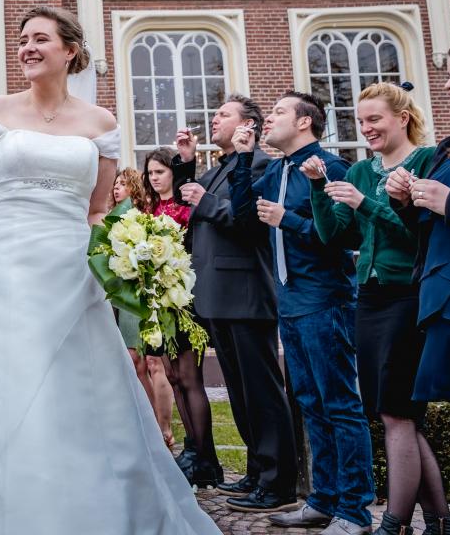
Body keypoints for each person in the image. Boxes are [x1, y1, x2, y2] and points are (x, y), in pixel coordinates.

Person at [0, 5, 219, 534]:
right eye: (22, 40)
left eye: (40, 38)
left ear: (70, 50)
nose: (27, 48)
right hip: (5, 270)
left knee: (77, 391)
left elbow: (97, 212)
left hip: (72, 271)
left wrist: (134, 260)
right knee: (5, 387)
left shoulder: (100, 124)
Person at [303, 82, 450, 535]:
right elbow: (337, 237)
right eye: (361, 120)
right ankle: (443, 523)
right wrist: (317, 190)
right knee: (395, 415)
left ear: (401, 118)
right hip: (367, 298)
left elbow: (419, 239)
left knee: (397, 413)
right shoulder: (362, 170)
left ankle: (393, 524)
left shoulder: (427, 162)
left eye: (375, 119)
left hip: (408, 294)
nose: (365, 128)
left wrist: (366, 205)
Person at [230, 92, 374, 535]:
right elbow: (242, 217)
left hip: (325, 299)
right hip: (289, 302)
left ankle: (354, 511)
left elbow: (342, 238)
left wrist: (286, 220)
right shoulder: (275, 169)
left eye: (278, 113)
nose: (268, 118)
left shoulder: (330, 168)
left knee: (341, 405)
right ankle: (321, 501)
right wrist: (242, 160)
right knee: (310, 405)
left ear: (305, 123)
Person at [172, 95, 298, 513]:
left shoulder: (259, 165)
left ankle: (278, 480)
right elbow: (189, 203)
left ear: (248, 126)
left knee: (262, 390)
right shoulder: (219, 167)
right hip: (216, 292)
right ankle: (256, 470)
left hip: (245, 290)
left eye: (223, 114)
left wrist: (204, 201)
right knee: (240, 392)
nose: (214, 118)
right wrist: (187, 164)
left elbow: (247, 222)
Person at [388, 32, 450, 445]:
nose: (449, 84)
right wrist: (406, 201)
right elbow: (428, 226)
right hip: (444, 296)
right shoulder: (449, 148)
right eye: (448, 74)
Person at [144, 147, 223, 489]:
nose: (154, 178)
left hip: (186, 301)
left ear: (173, 174)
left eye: (159, 172)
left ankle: (206, 457)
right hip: (160, 302)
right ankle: (192, 451)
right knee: (173, 377)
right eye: (150, 173)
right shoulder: (149, 210)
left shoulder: (185, 208)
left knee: (190, 377)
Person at [111, 167, 177, 451]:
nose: (116, 189)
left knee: (150, 362)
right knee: (133, 363)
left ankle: (164, 427)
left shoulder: (141, 217)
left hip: (139, 294)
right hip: (116, 295)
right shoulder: (110, 217)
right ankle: (145, 423)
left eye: (123, 184)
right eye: (115, 184)